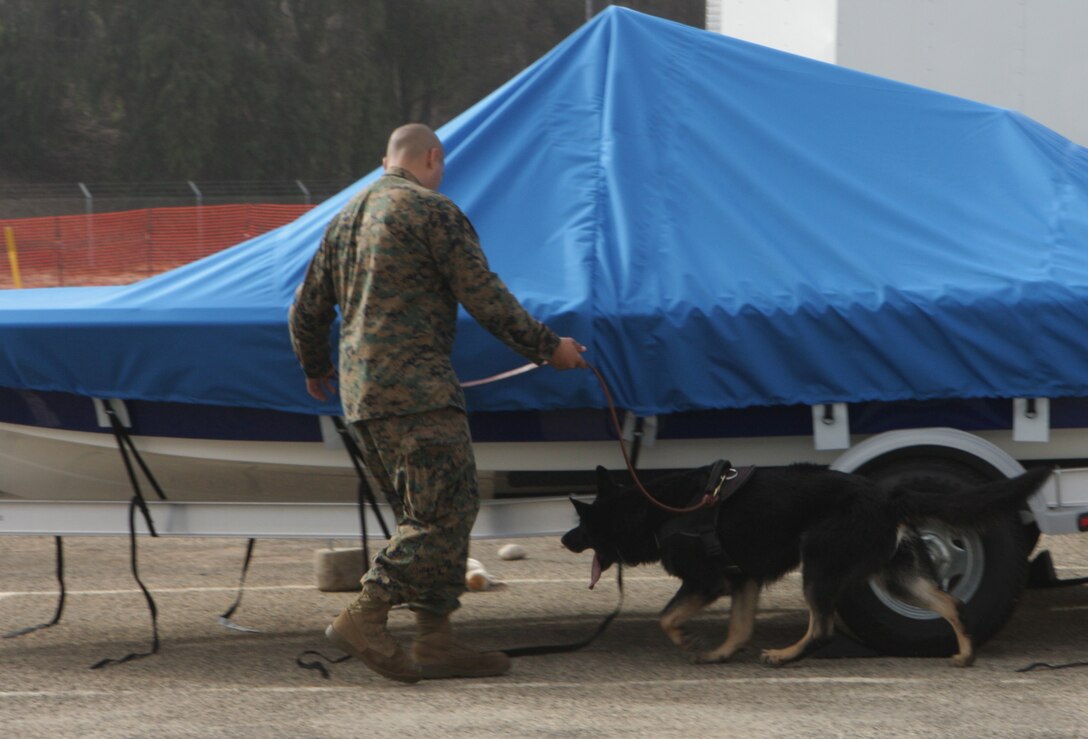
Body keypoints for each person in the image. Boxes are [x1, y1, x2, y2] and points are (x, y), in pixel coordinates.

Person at [288, 123, 587, 683]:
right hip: (418, 394)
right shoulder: (432, 212)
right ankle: (365, 615)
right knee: (443, 514)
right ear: (432, 158)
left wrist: (315, 367)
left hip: (362, 398)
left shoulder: (345, 220)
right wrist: (551, 348)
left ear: (385, 161)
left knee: (423, 516)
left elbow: (304, 309)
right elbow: (486, 296)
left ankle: (436, 638)